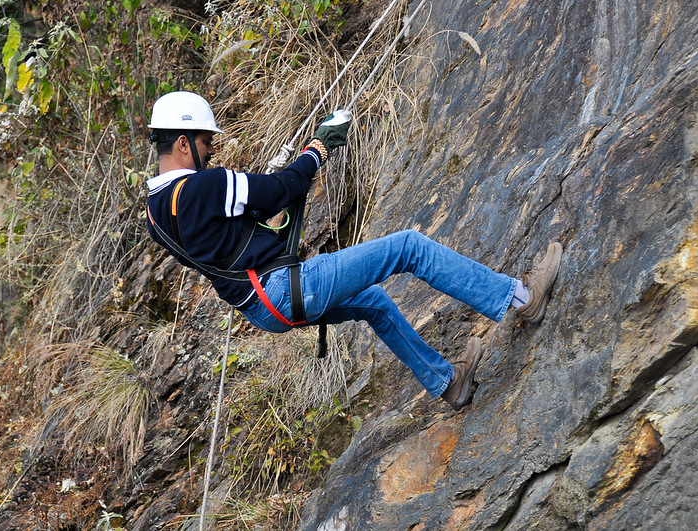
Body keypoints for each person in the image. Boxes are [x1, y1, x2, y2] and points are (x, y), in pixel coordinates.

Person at [145, 91, 562, 410]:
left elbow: (227, 239)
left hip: (263, 310)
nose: (211, 148)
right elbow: (279, 192)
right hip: (288, 288)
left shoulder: (155, 216)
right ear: (183, 143)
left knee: (375, 303)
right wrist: (317, 150)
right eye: (204, 140)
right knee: (409, 247)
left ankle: (448, 382)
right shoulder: (204, 185)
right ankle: (521, 297)